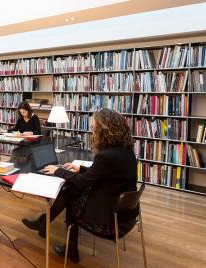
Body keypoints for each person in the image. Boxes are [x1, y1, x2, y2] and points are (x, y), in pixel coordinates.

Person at [22, 109, 138, 263]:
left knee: (72, 193)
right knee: (72, 190)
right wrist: (80, 168)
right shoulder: (126, 151)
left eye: (94, 129)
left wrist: (59, 170)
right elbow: (105, 173)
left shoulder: (106, 156)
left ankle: (59, 237)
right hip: (127, 215)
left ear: (104, 131)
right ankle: (50, 229)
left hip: (111, 221)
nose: (92, 133)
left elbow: (83, 182)